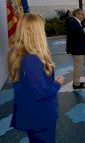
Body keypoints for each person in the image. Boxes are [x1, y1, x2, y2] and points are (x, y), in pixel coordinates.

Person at [8, 13, 64, 143]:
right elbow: (41, 92)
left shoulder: (20, 54)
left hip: (32, 115)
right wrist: (58, 83)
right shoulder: (31, 59)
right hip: (40, 116)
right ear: (36, 32)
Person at [66, 9, 85, 89]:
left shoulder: (77, 22)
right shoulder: (72, 22)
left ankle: (77, 81)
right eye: (82, 14)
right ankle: (76, 84)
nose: (83, 16)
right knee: (77, 67)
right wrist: (84, 36)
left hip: (78, 47)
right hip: (77, 48)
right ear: (77, 14)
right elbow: (74, 36)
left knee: (78, 66)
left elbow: (80, 32)